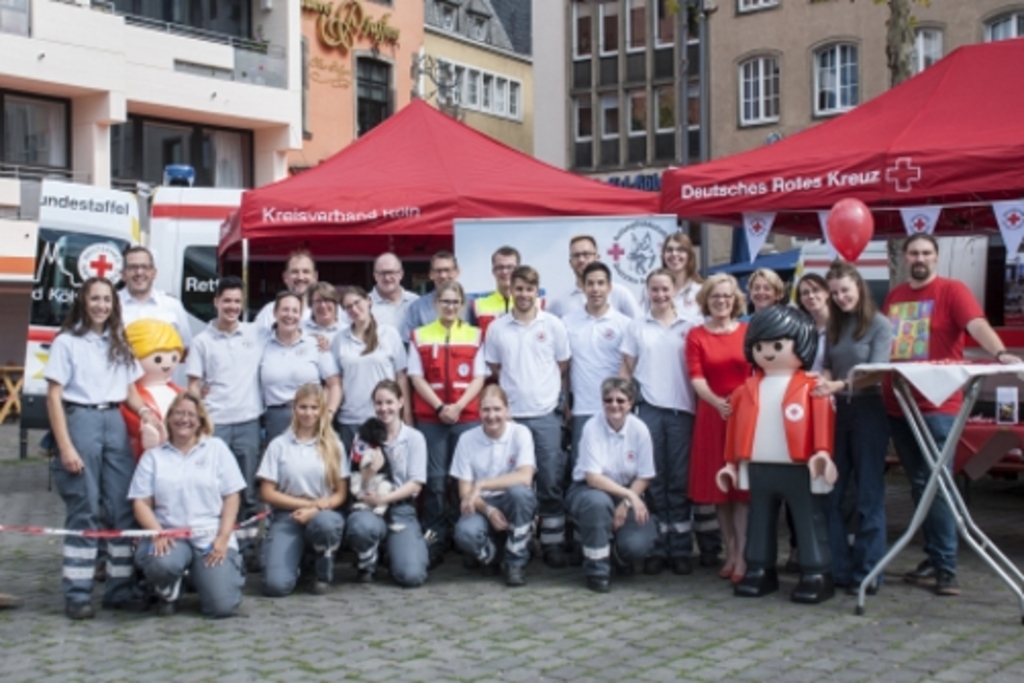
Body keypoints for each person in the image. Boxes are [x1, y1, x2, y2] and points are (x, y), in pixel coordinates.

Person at [884, 234, 1021, 596]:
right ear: (904, 257)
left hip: (936, 406)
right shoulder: (895, 296)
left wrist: (1001, 353)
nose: (919, 258)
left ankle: (946, 566)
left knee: (937, 484)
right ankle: (934, 557)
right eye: (913, 252)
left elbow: (976, 325)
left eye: (926, 253)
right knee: (919, 483)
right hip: (900, 404)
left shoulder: (953, 290)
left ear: (936, 257)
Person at [45, 277, 160, 620]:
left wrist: (144, 413)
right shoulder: (67, 342)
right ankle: (78, 594)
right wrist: (66, 447)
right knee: (85, 508)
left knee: (123, 507)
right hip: (82, 421)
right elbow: (53, 396)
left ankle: (119, 590)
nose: (101, 305)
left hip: (114, 420)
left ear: (114, 304)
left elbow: (130, 390)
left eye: (106, 300)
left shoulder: (118, 339)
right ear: (83, 301)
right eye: (94, 299)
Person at [717, 305, 837, 604]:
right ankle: (758, 568)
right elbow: (735, 426)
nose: (768, 352)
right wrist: (731, 464)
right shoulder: (745, 390)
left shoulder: (812, 388)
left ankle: (815, 571)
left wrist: (822, 452)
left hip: (799, 466)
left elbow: (822, 419)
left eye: (777, 345)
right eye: (760, 346)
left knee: (808, 519)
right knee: (759, 520)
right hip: (759, 467)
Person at [812, 261, 892, 594]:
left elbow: (877, 372)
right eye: (835, 293)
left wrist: (840, 385)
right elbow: (829, 365)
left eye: (845, 290)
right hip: (838, 413)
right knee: (832, 493)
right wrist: (822, 381)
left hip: (867, 410)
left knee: (868, 495)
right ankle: (841, 569)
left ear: (859, 287)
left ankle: (870, 571)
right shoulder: (835, 326)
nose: (841, 297)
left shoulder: (879, 324)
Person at [483, 265, 571, 567]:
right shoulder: (497, 328)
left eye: (529, 289)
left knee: (549, 480)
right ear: (510, 290)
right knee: (516, 485)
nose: (523, 294)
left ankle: (553, 542)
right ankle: (519, 540)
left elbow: (562, 364)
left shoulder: (554, 325)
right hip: (511, 420)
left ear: (537, 291)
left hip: (546, 414)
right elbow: (495, 369)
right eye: (518, 288)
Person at [130, 393, 246, 618]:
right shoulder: (153, 457)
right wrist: (157, 532)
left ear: (201, 421)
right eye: (179, 413)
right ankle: (168, 587)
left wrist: (223, 538)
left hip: (210, 536)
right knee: (162, 564)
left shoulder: (217, 449)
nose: (185, 419)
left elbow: (232, 496)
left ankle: (203, 576)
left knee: (222, 607)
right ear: (169, 418)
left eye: (191, 415)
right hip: (170, 536)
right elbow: (141, 503)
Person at [621, 268, 698, 575]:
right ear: (647, 291)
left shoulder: (689, 326)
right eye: (655, 289)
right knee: (654, 481)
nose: (661, 295)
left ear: (673, 292)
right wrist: (623, 404)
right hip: (648, 410)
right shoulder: (636, 327)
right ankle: (655, 546)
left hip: (682, 411)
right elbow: (625, 369)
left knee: (678, 482)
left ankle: (679, 548)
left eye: (665, 289)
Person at [186, 276, 265, 569]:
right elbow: (193, 386)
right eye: (226, 301)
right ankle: (216, 546)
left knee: (247, 492)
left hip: (247, 422)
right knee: (214, 491)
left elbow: (290, 330)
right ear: (216, 302)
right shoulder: (202, 342)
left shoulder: (256, 333)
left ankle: (246, 551)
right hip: (215, 427)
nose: (232, 307)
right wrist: (196, 423)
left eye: (236, 301)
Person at [408, 281, 486, 568]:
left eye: (455, 302)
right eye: (445, 301)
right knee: (436, 482)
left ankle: (466, 537)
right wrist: (441, 407)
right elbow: (416, 377)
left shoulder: (475, 335)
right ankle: (435, 539)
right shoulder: (420, 336)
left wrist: (458, 406)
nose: (450, 307)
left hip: (466, 418)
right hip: (432, 419)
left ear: (462, 304)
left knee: (464, 481)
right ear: (435, 304)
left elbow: (479, 377)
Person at [685, 274, 751, 582]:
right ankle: (730, 549)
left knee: (742, 490)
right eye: (715, 297)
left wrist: (739, 402)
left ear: (735, 299)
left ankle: (742, 555)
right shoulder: (696, 335)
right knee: (720, 491)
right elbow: (696, 377)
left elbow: (757, 373)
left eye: (726, 296)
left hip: (744, 415)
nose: (721, 301)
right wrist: (717, 401)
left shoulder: (748, 332)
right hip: (713, 414)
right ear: (706, 301)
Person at [566, 377, 657, 593]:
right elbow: (593, 478)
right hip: (590, 491)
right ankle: (597, 569)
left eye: (620, 400)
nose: (614, 405)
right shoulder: (591, 427)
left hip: (627, 492)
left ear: (630, 403)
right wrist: (629, 496)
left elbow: (645, 476)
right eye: (608, 400)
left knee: (636, 546)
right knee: (597, 504)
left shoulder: (640, 429)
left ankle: (618, 554)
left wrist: (625, 503)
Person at [258, 383, 349, 597]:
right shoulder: (279, 445)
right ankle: (299, 562)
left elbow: (340, 493)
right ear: (294, 409)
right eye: (303, 407)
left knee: (325, 524)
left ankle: (321, 572)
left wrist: (316, 510)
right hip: (287, 515)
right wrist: (307, 505)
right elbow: (267, 492)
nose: (308, 413)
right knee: (276, 586)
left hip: (323, 514)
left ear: (322, 411)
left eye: (314, 408)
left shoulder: (334, 445)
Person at [450, 385, 537, 587]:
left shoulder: (521, 433)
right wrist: (488, 511)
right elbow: (464, 492)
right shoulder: (466, 439)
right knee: (465, 534)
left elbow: (525, 477)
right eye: (486, 410)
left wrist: (481, 484)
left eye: (497, 409)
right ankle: (498, 554)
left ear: (507, 410)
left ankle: (515, 563)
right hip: (482, 505)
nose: (492, 416)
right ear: (479, 411)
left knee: (520, 494)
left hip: (511, 501)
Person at [346, 380, 430, 587]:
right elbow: (354, 480)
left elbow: (416, 485)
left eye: (389, 402)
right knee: (361, 526)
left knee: (412, 576)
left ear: (401, 402)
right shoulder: (363, 436)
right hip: (368, 505)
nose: (384, 409)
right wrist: (370, 471)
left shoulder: (414, 438)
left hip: (400, 507)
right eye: (379, 403)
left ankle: (394, 551)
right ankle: (368, 561)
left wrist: (384, 499)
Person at [563, 262, 631, 458]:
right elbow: (564, 369)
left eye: (601, 283)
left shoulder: (624, 324)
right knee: (583, 472)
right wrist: (565, 402)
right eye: (590, 284)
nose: (595, 289)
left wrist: (623, 404)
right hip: (581, 411)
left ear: (609, 287)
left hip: (614, 410)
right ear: (583, 287)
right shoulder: (567, 323)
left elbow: (627, 368)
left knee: (617, 471)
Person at [331, 286, 411, 448]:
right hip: (351, 420)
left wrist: (407, 417)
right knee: (352, 473)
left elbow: (401, 377)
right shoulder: (339, 339)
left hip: (386, 419)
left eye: (357, 303)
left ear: (368, 301)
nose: (354, 309)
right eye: (348, 307)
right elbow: (336, 382)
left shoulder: (389, 334)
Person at [259, 291, 341, 444]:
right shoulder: (261, 343)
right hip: (277, 419)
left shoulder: (314, 343)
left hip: (313, 416)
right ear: (275, 313)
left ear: (300, 314)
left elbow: (334, 383)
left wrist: (328, 415)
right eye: (285, 309)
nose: (290, 315)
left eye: (295, 310)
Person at [118, 245, 193, 386]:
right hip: (121, 391)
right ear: (123, 274)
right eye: (133, 267)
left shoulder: (172, 305)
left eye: (145, 267)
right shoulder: (111, 306)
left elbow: (185, 349)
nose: (139, 272)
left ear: (154, 272)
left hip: (161, 392)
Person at [548, 235, 640, 320]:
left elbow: (640, 328)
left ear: (597, 258)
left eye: (586, 254)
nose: (581, 260)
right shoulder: (559, 303)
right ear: (570, 262)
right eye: (576, 256)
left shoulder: (621, 295)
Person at [401, 251, 468, 339]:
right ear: (430, 274)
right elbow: (408, 342)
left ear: (457, 272)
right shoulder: (417, 307)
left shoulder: (471, 304)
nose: (443, 275)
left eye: (447, 270)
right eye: (438, 271)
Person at [255, 250, 321, 333]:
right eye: (295, 272)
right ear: (285, 277)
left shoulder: (329, 311)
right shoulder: (269, 312)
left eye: (306, 272)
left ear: (315, 277)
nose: (300, 277)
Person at [642, 233, 703, 320]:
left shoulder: (700, 290)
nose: (674, 254)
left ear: (689, 256)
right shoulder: (651, 289)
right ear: (663, 255)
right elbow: (643, 320)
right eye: (669, 250)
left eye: (680, 250)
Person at [472, 246, 520, 337]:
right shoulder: (478, 305)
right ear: (493, 271)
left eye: (510, 267)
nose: (505, 271)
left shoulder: (535, 303)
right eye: (500, 267)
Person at [370, 252, 419, 332]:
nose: (387, 277)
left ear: (401, 274)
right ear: (375, 275)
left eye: (391, 272)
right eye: (382, 273)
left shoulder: (415, 302)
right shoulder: (363, 305)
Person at [796, 273, 831, 373]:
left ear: (827, 293)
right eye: (805, 293)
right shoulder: (801, 328)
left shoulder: (841, 324)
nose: (811, 296)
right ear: (800, 299)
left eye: (816, 290)